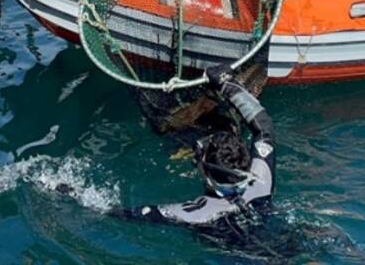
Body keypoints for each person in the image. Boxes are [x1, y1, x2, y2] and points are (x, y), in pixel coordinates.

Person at [112, 65, 275, 234]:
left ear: (207, 175)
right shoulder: (262, 179)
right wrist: (228, 84)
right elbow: (264, 128)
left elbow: (130, 215)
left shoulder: (194, 214)